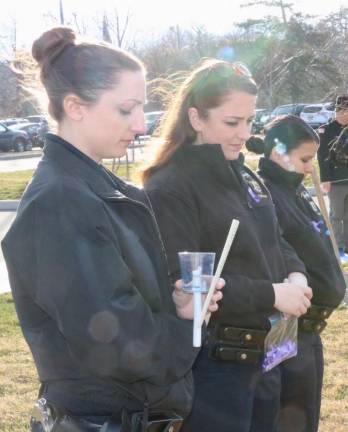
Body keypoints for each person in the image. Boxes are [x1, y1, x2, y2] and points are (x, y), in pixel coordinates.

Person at [1, 28, 224, 432]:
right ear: (75, 106)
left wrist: (179, 309)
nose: (140, 124)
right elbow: (116, 342)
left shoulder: (96, 187)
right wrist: (184, 329)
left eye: (142, 108)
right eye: (126, 109)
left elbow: (123, 302)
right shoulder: (62, 202)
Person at [141, 58, 313, 432]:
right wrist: (271, 294)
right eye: (231, 123)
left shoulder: (245, 173)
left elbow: (275, 237)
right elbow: (185, 283)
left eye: (250, 121)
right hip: (214, 370)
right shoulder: (170, 186)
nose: (243, 133)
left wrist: (296, 275)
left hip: (267, 356)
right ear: (197, 118)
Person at [246, 114, 346, 431]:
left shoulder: (295, 191)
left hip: (311, 329)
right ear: (278, 151)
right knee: (288, 416)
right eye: (304, 159)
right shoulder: (265, 195)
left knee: (307, 416)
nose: (309, 168)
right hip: (287, 327)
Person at [317, 95, 348, 262]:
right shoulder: (327, 130)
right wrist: (325, 179)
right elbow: (322, 157)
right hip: (335, 180)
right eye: (339, 110)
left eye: (345, 110)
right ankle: (337, 247)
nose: (341, 114)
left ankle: (347, 246)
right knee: (336, 214)